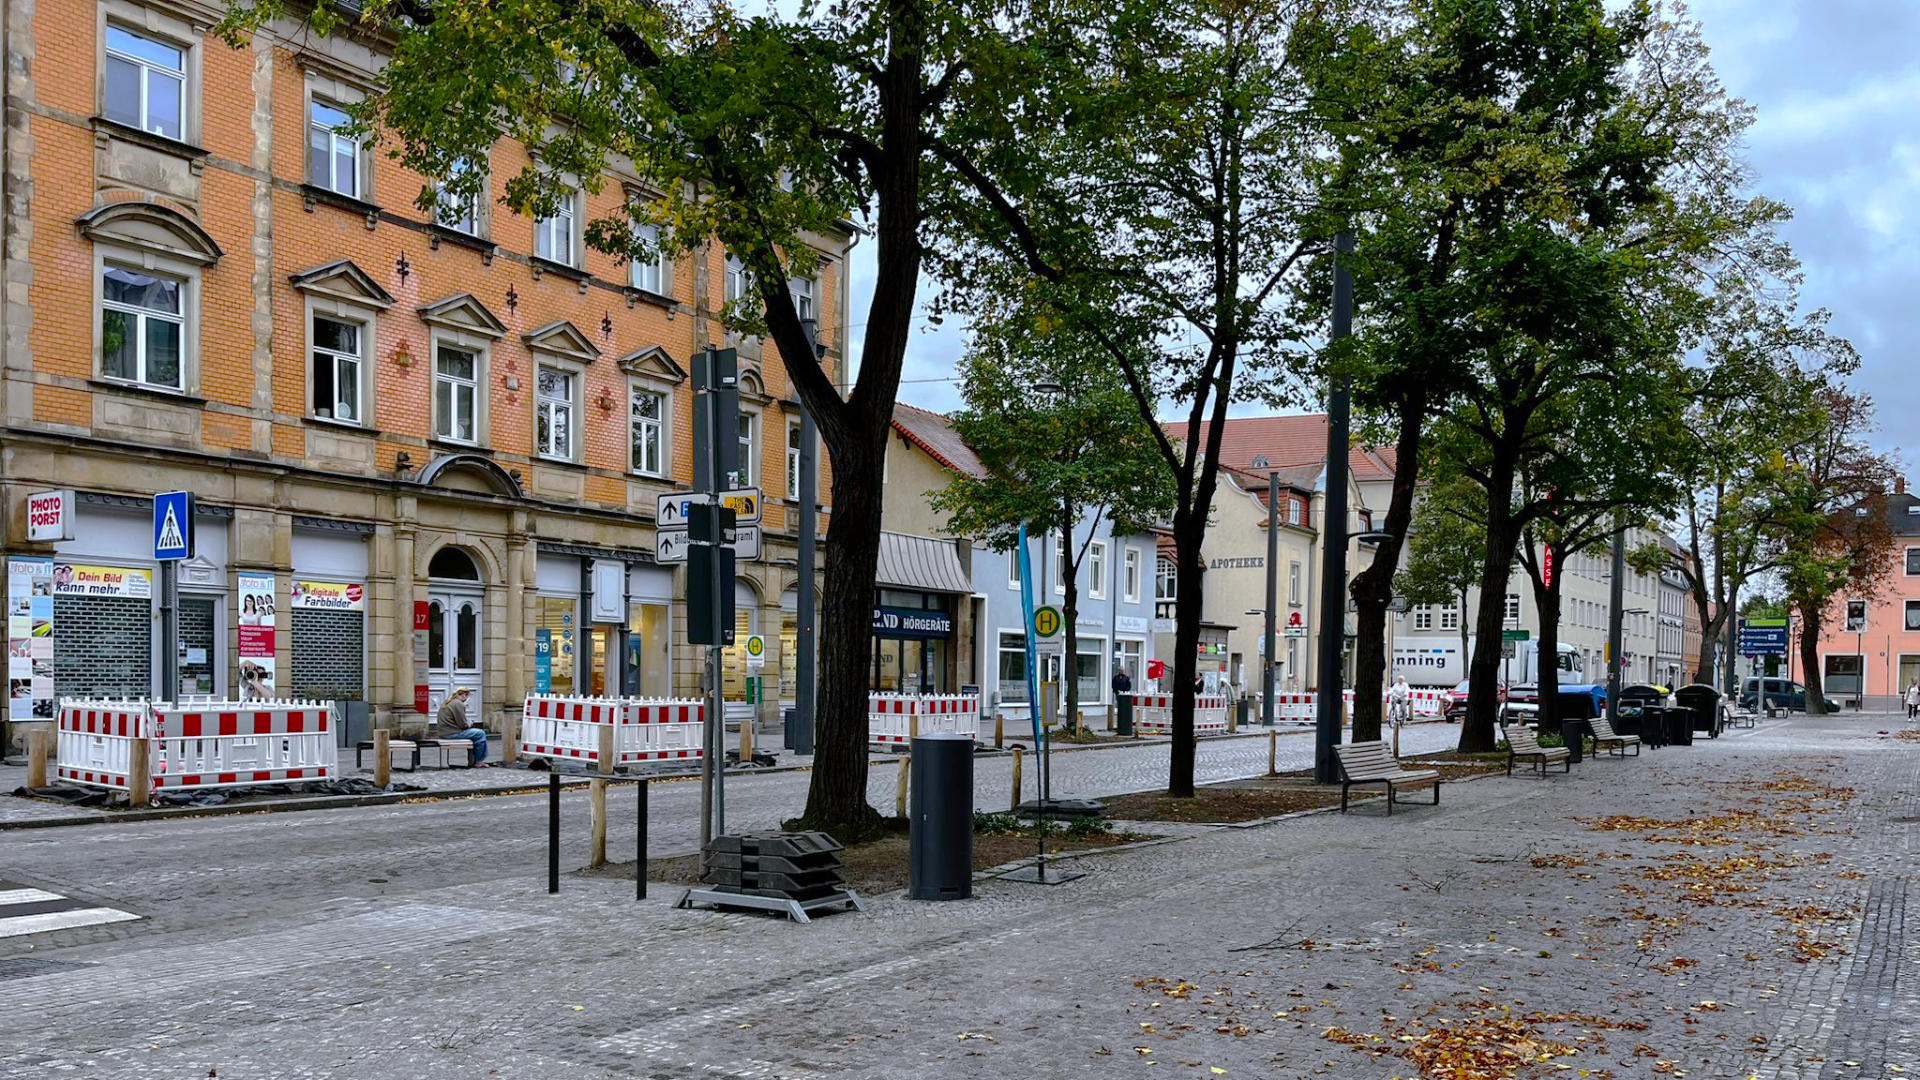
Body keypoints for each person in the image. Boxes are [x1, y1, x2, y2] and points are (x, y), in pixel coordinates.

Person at [436, 687, 489, 766]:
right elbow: (463, 725)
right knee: (480, 733)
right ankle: (478, 761)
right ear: (465, 695)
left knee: (476, 735)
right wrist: (470, 723)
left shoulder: (447, 702)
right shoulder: (458, 704)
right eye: (467, 696)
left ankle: (474, 760)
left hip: (443, 733)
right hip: (452, 733)